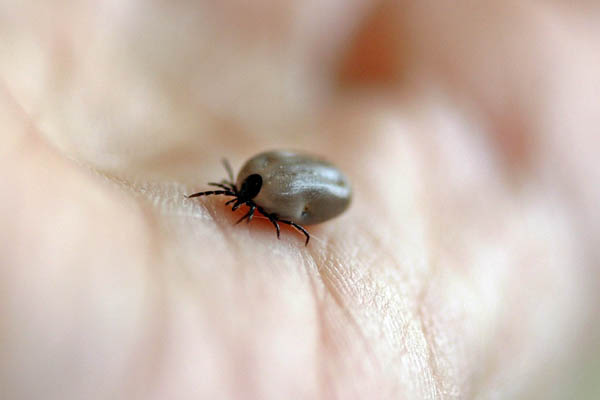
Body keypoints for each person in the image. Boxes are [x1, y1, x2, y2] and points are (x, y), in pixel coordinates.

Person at [1, 1, 598, 398]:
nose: (235, 201)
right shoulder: (257, 183)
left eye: (239, 197)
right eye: (239, 195)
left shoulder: (263, 184)